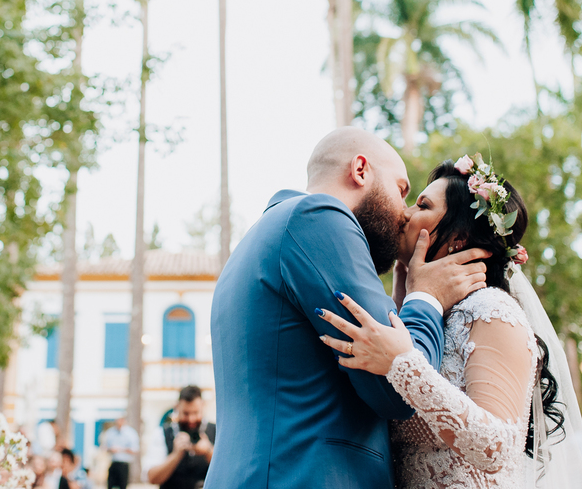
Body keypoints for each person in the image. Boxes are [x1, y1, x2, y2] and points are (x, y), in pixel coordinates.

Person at [207, 129, 492, 489]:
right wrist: (427, 297)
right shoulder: (319, 218)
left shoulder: (257, 240)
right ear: (360, 170)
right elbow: (399, 388)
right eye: (401, 190)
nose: (404, 214)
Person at [316, 156, 582, 489]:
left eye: (422, 205)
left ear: (459, 238)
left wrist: (400, 364)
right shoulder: (432, 314)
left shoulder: (491, 310)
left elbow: (496, 447)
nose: (404, 213)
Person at [143, 386, 215, 489]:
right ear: (177, 407)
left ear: (203, 406)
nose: (191, 419)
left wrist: (208, 451)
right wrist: (175, 455)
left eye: (195, 412)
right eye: (186, 413)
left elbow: (227, 472)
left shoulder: (216, 431)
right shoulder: (162, 433)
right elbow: (151, 478)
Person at [102, 415, 138, 489]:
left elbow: (135, 449)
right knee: (110, 485)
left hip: (124, 464)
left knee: (123, 485)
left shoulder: (130, 433)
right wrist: (111, 449)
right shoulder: (110, 432)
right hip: (114, 463)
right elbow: (104, 447)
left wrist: (121, 449)